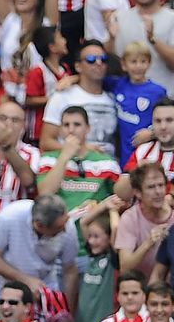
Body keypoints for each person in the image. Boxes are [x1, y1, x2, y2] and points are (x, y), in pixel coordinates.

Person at [37, 106, 122, 255]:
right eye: (66, 125)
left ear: (88, 128)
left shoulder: (107, 163)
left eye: (77, 124)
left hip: (93, 247)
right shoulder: (49, 159)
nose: (71, 130)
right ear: (60, 130)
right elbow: (45, 193)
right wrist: (65, 156)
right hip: (57, 244)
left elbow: (120, 200)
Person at [40, 40, 117, 156]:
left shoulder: (114, 97)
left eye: (103, 59)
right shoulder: (62, 96)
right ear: (78, 66)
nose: (99, 63)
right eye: (91, 59)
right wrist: (82, 149)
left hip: (109, 169)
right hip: (73, 169)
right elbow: (46, 142)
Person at [103, 43, 167, 169]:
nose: (138, 66)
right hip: (124, 156)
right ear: (124, 65)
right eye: (133, 61)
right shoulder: (117, 84)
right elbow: (93, 80)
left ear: (149, 63)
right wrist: (72, 79)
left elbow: (169, 118)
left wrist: (152, 132)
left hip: (148, 155)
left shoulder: (157, 91)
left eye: (143, 61)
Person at [111, 0, 174, 97]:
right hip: (129, 102)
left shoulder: (171, 18)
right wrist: (110, 38)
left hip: (165, 101)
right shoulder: (120, 18)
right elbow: (113, 62)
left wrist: (153, 39)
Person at [116, 162, 174, 277]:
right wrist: (148, 243)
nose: (158, 192)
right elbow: (125, 268)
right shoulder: (130, 218)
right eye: (151, 187)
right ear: (138, 193)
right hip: (139, 289)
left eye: (161, 185)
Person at [75, 213, 119, 322]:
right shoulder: (91, 257)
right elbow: (83, 222)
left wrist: (112, 210)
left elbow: (116, 228)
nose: (91, 241)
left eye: (97, 237)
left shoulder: (112, 261)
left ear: (109, 238)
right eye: (90, 236)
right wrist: (105, 205)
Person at [25, 26, 70, 146]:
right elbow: (29, 100)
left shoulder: (65, 69)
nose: (65, 40)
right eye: (61, 38)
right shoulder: (38, 71)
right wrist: (54, 100)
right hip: (38, 132)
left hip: (59, 130)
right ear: (52, 47)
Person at [118, 97, 174, 192]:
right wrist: (137, 171)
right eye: (158, 121)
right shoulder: (142, 151)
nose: (163, 127)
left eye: (169, 120)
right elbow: (121, 193)